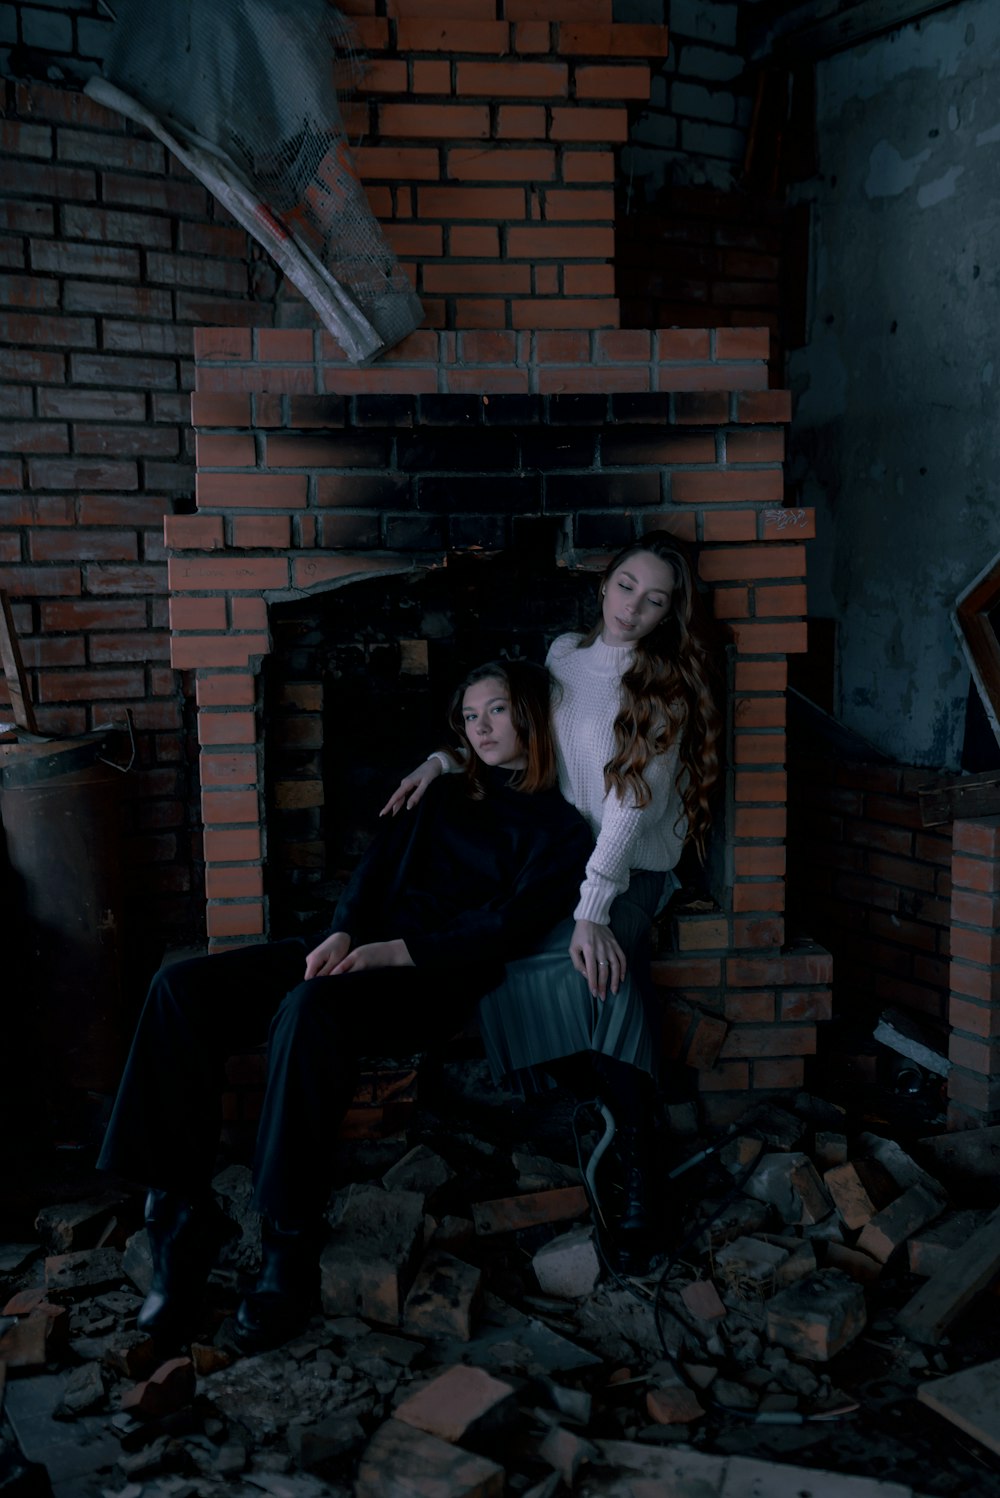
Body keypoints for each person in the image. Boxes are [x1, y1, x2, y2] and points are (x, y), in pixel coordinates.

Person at [97, 659, 593, 1353]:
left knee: (309, 1010)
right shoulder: (443, 789)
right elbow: (372, 870)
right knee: (181, 989)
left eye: (498, 711)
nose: (480, 727)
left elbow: (501, 929)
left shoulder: (562, 832)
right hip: (359, 947)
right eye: (470, 715)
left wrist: (392, 952)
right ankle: (179, 1211)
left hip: (427, 977)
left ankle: (286, 1245)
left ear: (533, 716)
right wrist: (342, 931)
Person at [383, 533, 723, 1269]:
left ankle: (639, 1158)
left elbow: (630, 807)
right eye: (627, 586)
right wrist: (446, 760)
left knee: (597, 975)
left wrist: (593, 910)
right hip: (559, 859)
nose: (635, 607)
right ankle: (600, 1099)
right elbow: (518, 734)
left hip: (626, 872)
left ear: (669, 613)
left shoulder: (660, 686)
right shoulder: (564, 654)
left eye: (655, 599)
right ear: (605, 583)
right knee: (493, 957)